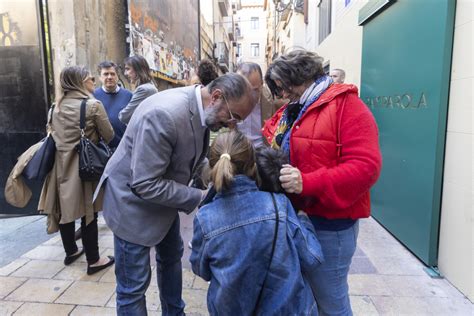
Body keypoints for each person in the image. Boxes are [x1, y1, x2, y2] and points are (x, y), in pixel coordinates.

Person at [95, 73, 254, 315]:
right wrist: (199, 197)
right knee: (133, 289)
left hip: (163, 200)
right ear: (216, 97)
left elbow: (190, 157)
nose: (232, 125)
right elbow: (145, 183)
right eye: (233, 117)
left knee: (171, 259)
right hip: (132, 206)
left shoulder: (201, 108)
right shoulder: (165, 115)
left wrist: (221, 175)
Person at [263, 49, 382, 315]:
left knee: (331, 301)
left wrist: (307, 182)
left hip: (330, 225)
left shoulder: (346, 105)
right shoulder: (295, 108)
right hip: (299, 217)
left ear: (301, 77)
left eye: (283, 86)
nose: (281, 95)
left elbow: (366, 168)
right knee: (308, 296)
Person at [190, 131, 323, 315]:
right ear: (253, 167)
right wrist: (303, 218)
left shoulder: (205, 218)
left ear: (212, 168)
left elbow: (201, 270)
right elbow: (313, 257)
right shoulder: (279, 205)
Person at [38, 66, 115, 275]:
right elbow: (109, 135)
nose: (93, 81)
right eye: (90, 78)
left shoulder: (55, 107)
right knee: (88, 213)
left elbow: (50, 134)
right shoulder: (92, 106)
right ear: (80, 82)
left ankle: (71, 251)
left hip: (59, 168)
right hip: (84, 166)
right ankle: (94, 260)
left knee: (64, 209)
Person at [236, 62, 286, 148]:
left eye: (254, 90)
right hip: (238, 152)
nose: (249, 96)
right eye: (244, 90)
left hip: (264, 153)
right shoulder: (229, 100)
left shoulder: (276, 101)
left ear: (262, 84)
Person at [93, 61, 132, 149]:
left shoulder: (129, 96)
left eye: (112, 74)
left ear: (117, 76)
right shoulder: (93, 96)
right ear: (99, 77)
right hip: (100, 149)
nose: (109, 77)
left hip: (123, 147)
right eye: (106, 74)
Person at [118, 55, 158, 124]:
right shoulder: (150, 87)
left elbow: (124, 116)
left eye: (128, 69)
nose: (125, 73)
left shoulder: (144, 89)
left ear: (138, 70)